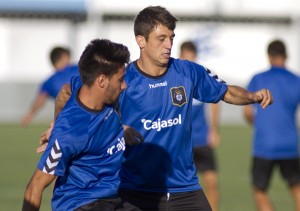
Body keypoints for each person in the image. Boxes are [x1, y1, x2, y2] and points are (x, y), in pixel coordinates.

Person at [43, 6, 273, 211]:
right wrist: (61, 126)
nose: (169, 45)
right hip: (133, 191)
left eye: (171, 38)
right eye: (161, 38)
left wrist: (253, 95)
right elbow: (65, 93)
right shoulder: (122, 79)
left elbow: (226, 92)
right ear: (141, 41)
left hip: (185, 189)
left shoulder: (188, 72)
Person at [22, 39, 132, 211]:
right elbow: (34, 188)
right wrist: (59, 129)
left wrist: (55, 123)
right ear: (102, 81)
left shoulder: (84, 86)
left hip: (114, 198)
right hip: (83, 204)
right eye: (121, 80)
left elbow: (64, 91)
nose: (125, 86)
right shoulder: (68, 133)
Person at [243, 39, 300, 211]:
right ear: (286, 56)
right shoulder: (296, 80)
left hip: (264, 144)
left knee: (259, 190)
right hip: (290, 143)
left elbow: (247, 112)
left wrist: (259, 124)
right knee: (296, 188)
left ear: (269, 56)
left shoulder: (258, 79)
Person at [180, 40, 220, 211]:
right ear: (180, 56)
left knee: (212, 183)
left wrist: (213, 130)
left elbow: (216, 101)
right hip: (181, 141)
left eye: (192, 58)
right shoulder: (174, 78)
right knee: (178, 188)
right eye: (186, 58)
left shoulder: (201, 77)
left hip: (202, 138)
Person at [21, 46, 79, 127]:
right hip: (89, 116)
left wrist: (30, 115)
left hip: (66, 122)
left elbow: (40, 100)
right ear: (65, 56)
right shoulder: (80, 69)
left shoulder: (50, 81)